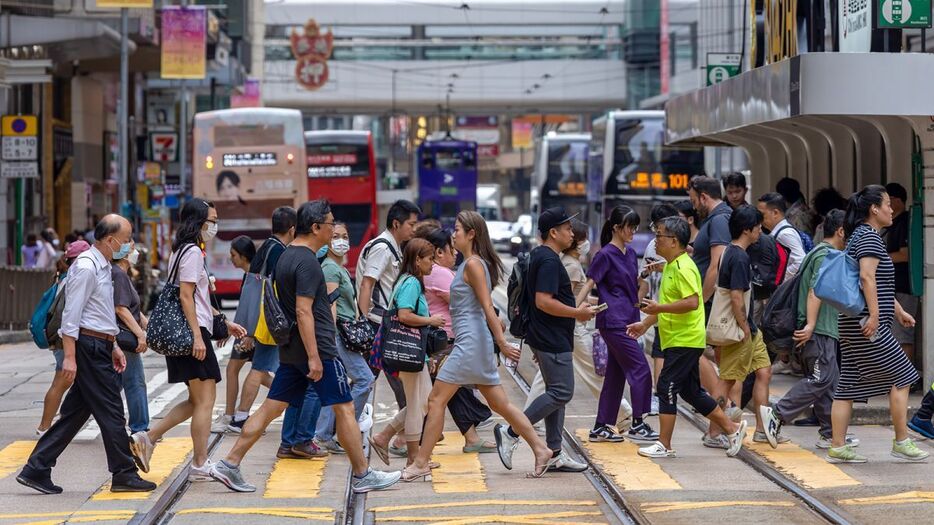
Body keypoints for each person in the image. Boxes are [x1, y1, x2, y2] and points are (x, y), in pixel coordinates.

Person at [210, 200, 401, 493]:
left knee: (270, 409)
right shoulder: (308, 262)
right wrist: (315, 356)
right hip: (318, 351)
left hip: (292, 352)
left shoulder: (286, 257)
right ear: (315, 227)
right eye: (330, 225)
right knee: (345, 407)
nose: (334, 231)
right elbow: (303, 311)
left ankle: (229, 463)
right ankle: (363, 475)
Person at [405, 211, 561, 480]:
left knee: (436, 399)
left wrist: (501, 342)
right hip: (474, 343)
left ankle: (420, 462)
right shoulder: (470, 264)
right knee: (501, 405)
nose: (453, 234)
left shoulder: (474, 265)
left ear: (471, 234)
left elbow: (488, 306)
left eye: (457, 229)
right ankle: (540, 448)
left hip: (470, 344)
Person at [17, 215, 155, 494]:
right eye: (126, 240)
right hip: (89, 347)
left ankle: (37, 468)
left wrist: (113, 345)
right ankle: (124, 473)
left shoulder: (103, 267)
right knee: (113, 411)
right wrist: (69, 357)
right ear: (109, 240)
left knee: (74, 413)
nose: (129, 245)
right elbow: (72, 315)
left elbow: (100, 313)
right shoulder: (86, 267)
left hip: (101, 344)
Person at [130, 199, 247, 481]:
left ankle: (148, 437)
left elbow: (199, 298)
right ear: (198, 222)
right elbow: (185, 296)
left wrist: (224, 322)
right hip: (191, 336)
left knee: (196, 400)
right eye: (212, 220)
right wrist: (198, 336)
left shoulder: (181, 251)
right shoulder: (193, 252)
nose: (214, 226)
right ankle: (199, 463)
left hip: (187, 333)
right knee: (206, 400)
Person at [625, 217, 748, 459]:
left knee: (666, 386)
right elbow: (668, 305)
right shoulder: (671, 265)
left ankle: (664, 443)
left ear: (673, 241)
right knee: (691, 392)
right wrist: (645, 323)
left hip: (685, 339)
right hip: (678, 338)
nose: (655, 241)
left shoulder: (684, 267)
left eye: (659, 236)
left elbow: (692, 302)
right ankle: (733, 429)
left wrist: (657, 310)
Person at [826, 185, 927, 463]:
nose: (891, 209)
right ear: (873, 209)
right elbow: (867, 279)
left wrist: (897, 311)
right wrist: (874, 316)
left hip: (853, 321)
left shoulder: (860, 236)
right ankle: (902, 441)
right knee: (905, 376)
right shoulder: (869, 239)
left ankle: (837, 446)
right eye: (886, 204)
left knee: (847, 384)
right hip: (867, 323)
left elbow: (877, 283)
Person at [496, 207, 596, 473]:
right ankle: (512, 431)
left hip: (546, 334)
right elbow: (543, 301)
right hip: (552, 336)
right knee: (562, 391)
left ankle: (554, 452)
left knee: (555, 393)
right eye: (567, 229)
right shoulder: (550, 261)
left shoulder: (541, 256)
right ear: (553, 232)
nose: (572, 234)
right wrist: (578, 313)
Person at [760, 210, 860, 449]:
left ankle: (831, 433)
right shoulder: (828, 256)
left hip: (819, 329)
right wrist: (812, 325)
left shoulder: (815, 252)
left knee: (830, 383)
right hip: (818, 330)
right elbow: (816, 290)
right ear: (841, 231)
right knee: (820, 378)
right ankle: (778, 414)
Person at [577, 206, 656, 443]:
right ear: (616, 228)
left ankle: (602, 425)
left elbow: (634, 288)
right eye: (629, 227)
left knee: (616, 374)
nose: (633, 231)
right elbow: (589, 283)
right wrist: (573, 310)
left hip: (629, 318)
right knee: (641, 369)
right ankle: (638, 422)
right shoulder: (605, 255)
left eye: (635, 226)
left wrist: (643, 277)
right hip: (613, 322)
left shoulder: (631, 254)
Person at [416, 226, 495, 453]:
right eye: (451, 247)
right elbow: (467, 300)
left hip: (451, 340)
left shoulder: (442, 271)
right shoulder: (440, 273)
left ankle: (471, 438)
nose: (455, 253)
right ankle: (397, 437)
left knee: (447, 395)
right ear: (440, 252)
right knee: (436, 397)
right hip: (449, 341)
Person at [369, 239, 445, 466]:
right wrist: (431, 320)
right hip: (408, 353)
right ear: (417, 260)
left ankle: (384, 437)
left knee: (422, 404)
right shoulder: (411, 282)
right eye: (430, 258)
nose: (433, 263)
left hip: (412, 353)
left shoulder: (406, 280)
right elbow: (404, 315)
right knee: (417, 405)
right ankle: (413, 457)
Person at [225, 207, 296, 433]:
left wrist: (248, 328)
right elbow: (267, 293)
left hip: (262, 323)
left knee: (264, 369)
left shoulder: (267, 247)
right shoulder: (278, 252)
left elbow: (251, 291)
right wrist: (253, 331)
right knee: (259, 369)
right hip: (270, 323)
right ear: (292, 229)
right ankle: (240, 417)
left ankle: (241, 415)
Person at [357, 199, 421, 448]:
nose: (413, 230)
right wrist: (363, 323)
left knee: (368, 381)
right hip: (378, 325)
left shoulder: (393, 247)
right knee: (381, 381)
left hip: (382, 324)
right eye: (411, 225)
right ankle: (405, 436)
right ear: (396, 224)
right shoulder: (383, 248)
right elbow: (367, 284)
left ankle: (405, 435)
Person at [711, 205, 775, 444]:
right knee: (727, 379)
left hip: (749, 328)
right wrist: (744, 326)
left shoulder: (730, 252)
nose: (760, 230)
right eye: (758, 226)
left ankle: (762, 429)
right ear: (747, 229)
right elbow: (737, 297)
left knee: (764, 371)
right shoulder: (739, 257)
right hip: (741, 329)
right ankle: (713, 432)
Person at [313, 222, 376, 454]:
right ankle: (345, 427)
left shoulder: (336, 267)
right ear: (327, 241)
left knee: (337, 386)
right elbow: (331, 305)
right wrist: (329, 340)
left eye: (345, 236)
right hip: (339, 335)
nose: (341, 240)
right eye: (336, 236)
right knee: (365, 379)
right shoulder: (330, 268)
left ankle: (323, 434)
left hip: (342, 335)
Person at [36, 240, 90, 436]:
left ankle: (52, 426)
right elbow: (66, 315)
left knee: (70, 384)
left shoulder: (64, 278)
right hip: (65, 342)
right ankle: (44, 428)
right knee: (61, 383)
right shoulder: (75, 279)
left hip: (62, 341)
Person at [636, 204, 679, 418]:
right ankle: (661, 396)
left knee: (670, 353)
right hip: (660, 307)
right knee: (660, 352)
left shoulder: (677, 244)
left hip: (671, 307)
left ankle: (663, 395)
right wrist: (637, 305)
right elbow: (645, 279)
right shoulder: (656, 245)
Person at [213, 236, 257, 434]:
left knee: (237, 370)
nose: (231, 259)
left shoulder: (255, 276)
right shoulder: (250, 275)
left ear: (244, 256)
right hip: (246, 331)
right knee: (258, 372)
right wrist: (231, 330)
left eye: (233, 255)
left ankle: (231, 416)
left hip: (251, 333)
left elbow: (256, 307)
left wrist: (249, 334)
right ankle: (232, 415)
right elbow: (244, 307)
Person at [113, 241, 150, 435]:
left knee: (113, 385)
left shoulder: (122, 275)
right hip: (126, 339)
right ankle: (140, 428)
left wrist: (146, 325)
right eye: (133, 248)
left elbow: (133, 308)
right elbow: (120, 308)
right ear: (125, 254)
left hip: (122, 338)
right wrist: (140, 335)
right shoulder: (118, 274)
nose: (136, 252)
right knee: (135, 382)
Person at [882, 182, 916, 362]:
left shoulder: (905, 223)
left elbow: (905, 255)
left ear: (895, 200)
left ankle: (905, 380)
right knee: (893, 334)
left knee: (902, 334)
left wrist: (877, 259)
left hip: (903, 286)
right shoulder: (892, 224)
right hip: (893, 287)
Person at [687, 176, 733, 306]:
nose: (694, 208)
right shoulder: (714, 218)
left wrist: (701, 302)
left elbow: (717, 265)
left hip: (710, 302)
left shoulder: (719, 220)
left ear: (703, 197)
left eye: (693, 201)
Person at [757, 192, 806, 279]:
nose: (759, 218)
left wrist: (779, 278)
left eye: (762, 214)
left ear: (775, 213)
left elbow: (800, 261)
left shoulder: (784, 234)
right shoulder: (780, 232)